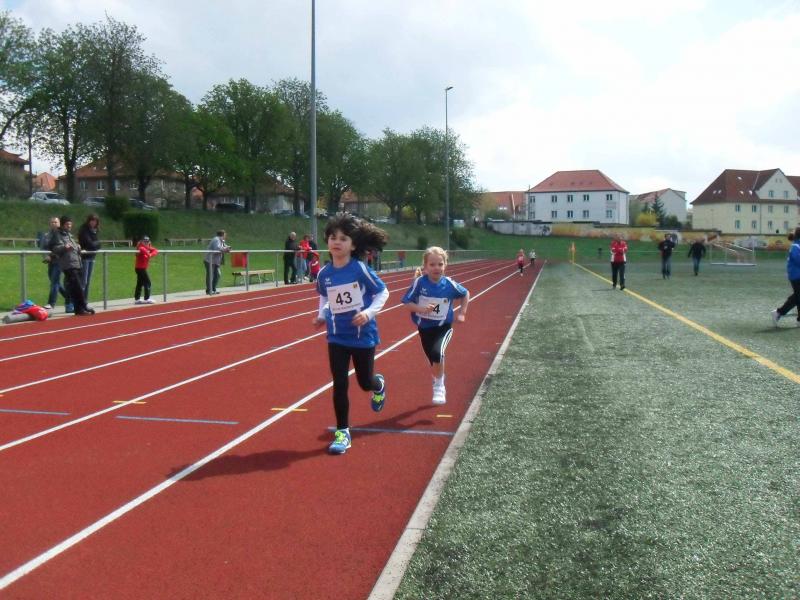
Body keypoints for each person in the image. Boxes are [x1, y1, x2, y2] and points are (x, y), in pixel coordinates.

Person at [312, 214, 390, 455]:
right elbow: (324, 296)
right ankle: (343, 432)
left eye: (343, 238)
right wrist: (321, 315)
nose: (337, 242)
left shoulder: (359, 269)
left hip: (362, 335)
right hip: (337, 336)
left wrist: (368, 313)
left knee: (365, 382)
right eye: (333, 237)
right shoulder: (324, 273)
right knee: (339, 383)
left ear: (353, 245)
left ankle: (378, 385)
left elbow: (383, 292)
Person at [402, 246, 470, 405]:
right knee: (433, 359)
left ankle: (439, 386)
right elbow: (407, 303)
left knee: (437, 353)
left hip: (443, 327)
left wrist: (462, 312)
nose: (436, 268)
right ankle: (438, 376)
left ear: (445, 265)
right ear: (425, 266)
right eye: (432, 264)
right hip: (424, 328)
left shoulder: (449, 284)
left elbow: (465, 293)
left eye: (440, 264)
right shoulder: (419, 283)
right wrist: (421, 309)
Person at [50, 215, 94, 316]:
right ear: (62, 225)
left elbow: (73, 247)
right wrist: (64, 247)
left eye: (70, 224)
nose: (69, 226)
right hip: (68, 265)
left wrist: (77, 247)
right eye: (67, 224)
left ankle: (79, 309)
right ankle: (84, 304)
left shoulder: (69, 235)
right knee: (78, 287)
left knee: (74, 288)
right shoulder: (58, 235)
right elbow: (55, 248)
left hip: (76, 263)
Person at [771, 227, 800, 328]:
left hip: (796, 275)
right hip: (796, 275)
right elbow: (797, 259)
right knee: (797, 296)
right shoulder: (796, 246)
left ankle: (781, 313)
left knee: (798, 297)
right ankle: (779, 312)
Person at [42, 216, 70, 311]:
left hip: (59, 261)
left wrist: (53, 255)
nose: (54, 223)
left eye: (56, 222)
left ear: (59, 223)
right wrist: (46, 256)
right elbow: (43, 248)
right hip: (50, 261)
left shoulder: (62, 234)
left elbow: (62, 247)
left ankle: (51, 303)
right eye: (52, 222)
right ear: (50, 224)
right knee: (55, 282)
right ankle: (69, 297)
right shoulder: (46, 235)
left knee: (54, 282)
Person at [78, 213, 101, 300]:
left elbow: (98, 245)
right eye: (92, 220)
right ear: (88, 221)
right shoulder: (84, 230)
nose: (93, 223)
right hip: (85, 258)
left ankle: (85, 300)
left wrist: (96, 244)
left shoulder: (95, 230)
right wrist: (97, 244)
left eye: (95, 221)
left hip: (92, 257)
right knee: (83, 281)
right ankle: (80, 301)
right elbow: (90, 244)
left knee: (88, 281)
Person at [204, 230, 231, 295]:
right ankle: (209, 290)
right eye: (225, 234)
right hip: (210, 260)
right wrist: (225, 249)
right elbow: (217, 248)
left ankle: (213, 289)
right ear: (222, 235)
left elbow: (225, 247)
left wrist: (228, 248)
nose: (226, 236)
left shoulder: (222, 240)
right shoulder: (216, 239)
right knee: (210, 275)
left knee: (217, 274)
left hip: (216, 261)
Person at [134, 236, 159, 304]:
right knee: (148, 282)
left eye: (147, 241)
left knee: (140, 283)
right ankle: (147, 298)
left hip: (142, 268)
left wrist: (150, 254)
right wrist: (148, 253)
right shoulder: (140, 247)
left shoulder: (148, 247)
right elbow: (142, 249)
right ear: (142, 241)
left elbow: (155, 250)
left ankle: (137, 299)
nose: (146, 242)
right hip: (140, 268)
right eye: (144, 241)